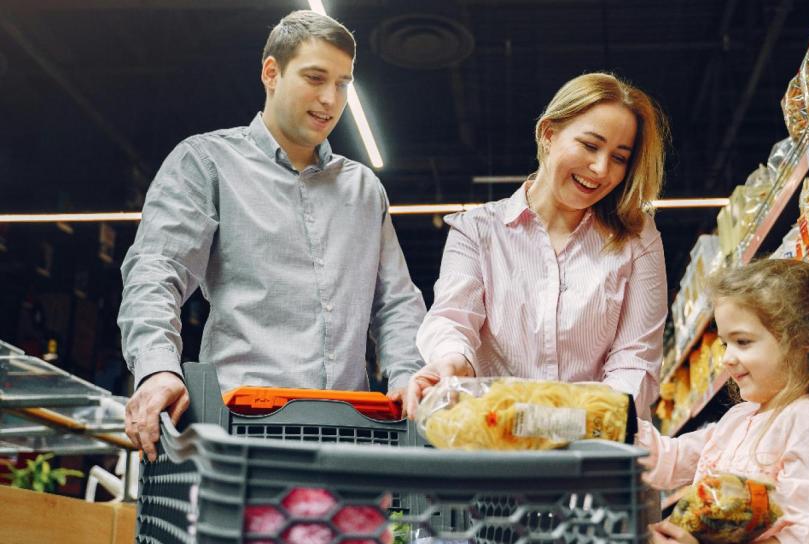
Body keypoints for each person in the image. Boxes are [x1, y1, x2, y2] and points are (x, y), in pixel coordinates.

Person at [118, 10, 425, 461]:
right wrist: (157, 369)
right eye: (315, 77)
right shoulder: (207, 163)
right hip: (240, 436)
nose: (330, 99)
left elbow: (395, 302)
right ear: (271, 73)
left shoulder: (363, 189)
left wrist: (408, 377)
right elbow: (156, 271)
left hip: (350, 439)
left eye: (342, 84)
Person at [405, 72, 670, 420]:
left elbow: (636, 359)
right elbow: (453, 319)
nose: (601, 168)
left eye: (619, 158)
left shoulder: (638, 238)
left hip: (594, 448)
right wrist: (452, 363)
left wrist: (575, 420)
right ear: (548, 134)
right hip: (495, 440)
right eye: (590, 145)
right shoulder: (477, 230)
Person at [643, 258, 809, 544]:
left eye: (743, 342)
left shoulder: (807, 420)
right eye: (724, 344)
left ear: (803, 344)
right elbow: (669, 459)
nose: (728, 359)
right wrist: (601, 415)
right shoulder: (737, 419)